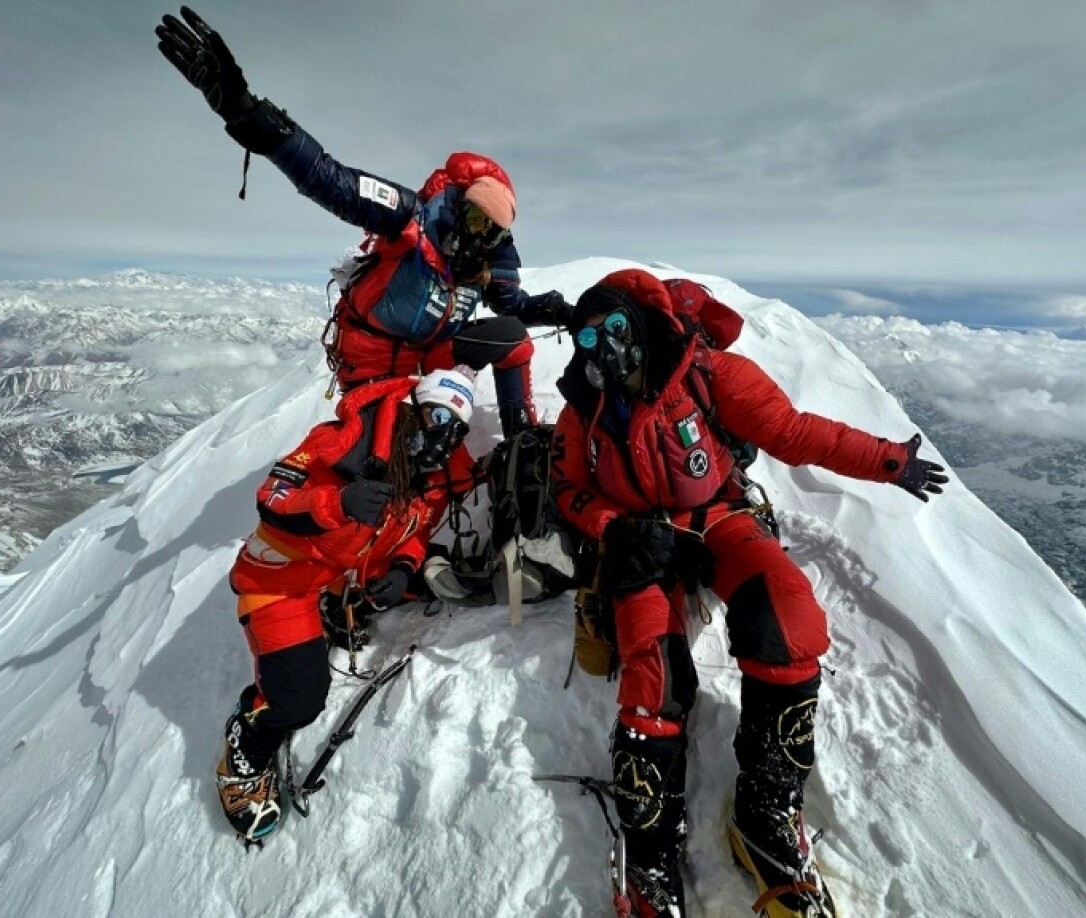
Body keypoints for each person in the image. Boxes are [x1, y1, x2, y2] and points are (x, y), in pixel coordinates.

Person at [549, 270, 949, 917]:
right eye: (589, 335)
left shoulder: (707, 377)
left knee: (786, 619)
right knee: (655, 675)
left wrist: (888, 461)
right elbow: (567, 489)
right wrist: (613, 528)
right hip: (641, 543)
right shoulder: (582, 412)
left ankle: (766, 810)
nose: (604, 346)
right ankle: (651, 853)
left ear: (644, 325)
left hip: (720, 519)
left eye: (616, 328)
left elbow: (795, 433)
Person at [155, 7, 570, 435]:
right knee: (382, 450)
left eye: (493, 227)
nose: (480, 233)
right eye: (474, 216)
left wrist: (564, 312)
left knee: (513, 341)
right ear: (458, 202)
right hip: (372, 361)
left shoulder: (491, 257)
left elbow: (512, 308)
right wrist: (248, 114)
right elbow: (329, 179)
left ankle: (522, 443)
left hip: (430, 357)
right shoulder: (409, 216)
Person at [217, 367, 482, 841]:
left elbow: (415, 533)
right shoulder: (343, 442)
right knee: (299, 700)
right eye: (437, 415)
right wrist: (337, 503)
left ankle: (334, 616)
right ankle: (244, 754)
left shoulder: (425, 476)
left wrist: (401, 569)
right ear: (411, 409)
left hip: (336, 576)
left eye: (456, 427)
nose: (443, 434)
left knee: (425, 579)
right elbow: (273, 498)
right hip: (278, 580)